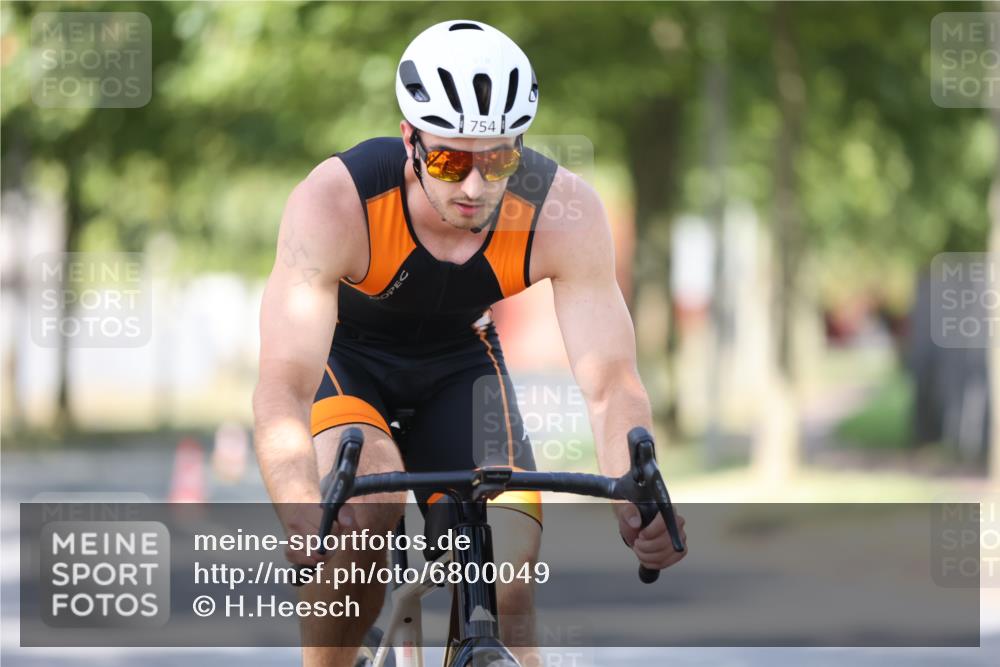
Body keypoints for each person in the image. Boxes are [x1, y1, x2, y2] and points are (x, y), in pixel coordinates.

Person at [253, 19, 687, 666]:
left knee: (510, 577)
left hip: (459, 366)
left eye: (498, 160)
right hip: (346, 361)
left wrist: (637, 492)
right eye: (451, 160)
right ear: (410, 139)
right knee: (367, 511)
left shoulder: (561, 213)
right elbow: (283, 382)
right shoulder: (335, 201)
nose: (475, 186)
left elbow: (611, 382)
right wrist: (297, 502)